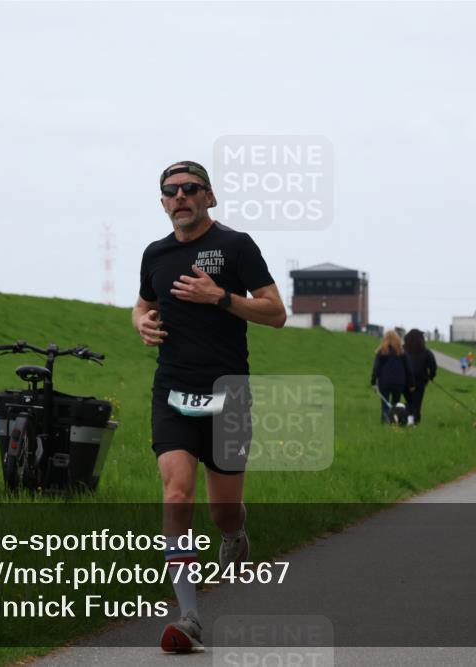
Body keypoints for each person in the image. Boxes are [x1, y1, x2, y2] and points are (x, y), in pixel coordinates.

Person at [133, 160, 286, 653]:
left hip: (228, 395)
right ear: (162, 202)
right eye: (170, 190)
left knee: (222, 511)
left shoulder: (237, 246)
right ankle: (190, 617)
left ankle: (235, 534)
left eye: (190, 188)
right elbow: (143, 304)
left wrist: (219, 296)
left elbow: (276, 313)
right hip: (172, 391)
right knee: (177, 494)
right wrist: (141, 322)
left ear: (209, 197)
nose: (180, 196)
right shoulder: (155, 254)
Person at [370, 330, 409, 424]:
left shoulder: (382, 352)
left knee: (385, 405)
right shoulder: (402, 352)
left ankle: (385, 422)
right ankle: (394, 423)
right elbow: (408, 369)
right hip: (398, 383)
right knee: (395, 405)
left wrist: (373, 382)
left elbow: (376, 368)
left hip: (384, 382)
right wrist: (411, 383)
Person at [403, 329, 438, 424]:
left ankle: (409, 420)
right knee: (417, 403)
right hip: (420, 381)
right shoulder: (426, 352)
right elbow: (433, 366)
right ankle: (415, 422)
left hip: (405, 381)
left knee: (409, 402)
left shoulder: (403, 350)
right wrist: (431, 376)